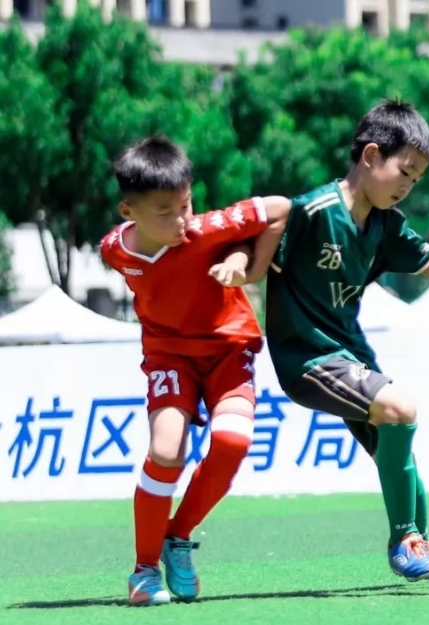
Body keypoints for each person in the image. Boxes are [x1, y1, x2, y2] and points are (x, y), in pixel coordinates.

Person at [219, 99, 429, 585]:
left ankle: (421, 543)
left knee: (399, 453)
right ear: (370, 155)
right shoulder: (313, 211)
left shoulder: (387, 225)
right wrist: (236, 264)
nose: (408, 186)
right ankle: (404, 541)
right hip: (306, 358)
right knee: (400, 409)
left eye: (417, 179)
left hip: (349, 355)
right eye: (404, 172)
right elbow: (255, 242)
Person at [100, 136, 290, 606]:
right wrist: (237, 253)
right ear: (128, 211)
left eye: (185, 205)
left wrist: (247, 268)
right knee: (166, 451)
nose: (181, 220)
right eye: (165, 211)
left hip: (228, 351)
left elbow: (279, 209)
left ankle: (177, 536)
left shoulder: (205, 229)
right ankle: (144, 572)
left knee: (233, 441)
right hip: (169, 357)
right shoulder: (114, 250)